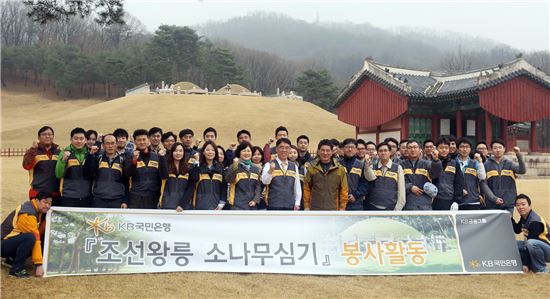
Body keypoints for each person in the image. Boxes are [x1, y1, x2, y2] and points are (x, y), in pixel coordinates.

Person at [1, 192, 52, 278]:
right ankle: (16, 270)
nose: (47, 206)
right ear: (37, 200)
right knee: (30, 237)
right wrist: (39, 264)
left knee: (37, 237)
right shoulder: (28, 213)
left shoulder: (36, 209)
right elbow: (35, 237)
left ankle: (11, 260)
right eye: (45, 202)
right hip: (2, 244)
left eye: (50, 203)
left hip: (8, 242)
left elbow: (38, 233)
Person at [124, 129, 168, 209]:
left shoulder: (157, 156)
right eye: (139, 140)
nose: (142, 142)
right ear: (134, 141)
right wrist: (134, 161)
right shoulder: (130, 156)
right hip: (136, 197)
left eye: (144, 139)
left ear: (148, 140)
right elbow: (127, 175)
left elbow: (164, 175)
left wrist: (162, 159)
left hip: (153, 197)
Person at [83, 134, 128, 208]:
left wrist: (125, 201)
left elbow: (126, 182)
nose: (110, 146)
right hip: (98, 199)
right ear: (103, 145)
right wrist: (91, 155)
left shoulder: (122, 160)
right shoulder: (97, 158)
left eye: (112, 143)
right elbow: (87, 173)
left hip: (117, 200)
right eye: (107, 143)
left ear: (116, 144)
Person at [482, 140, 526, 213]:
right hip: (492, 204)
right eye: (495, 148)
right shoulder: (486, 165)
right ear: (491, 150)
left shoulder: (510, 164)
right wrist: (494, 198)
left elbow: (522, 170)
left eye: (500, 147)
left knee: (507, 223)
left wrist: (518, 155)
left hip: (508, 202)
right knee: (493, 224)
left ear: (504, 149)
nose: (498, 150)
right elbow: (483, 184)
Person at [304, 139, 348, 211]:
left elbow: (344, 190)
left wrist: (342, 208)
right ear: (318, 152)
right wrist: (306, 206)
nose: (325, 153)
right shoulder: (311, 168)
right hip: (314, 209)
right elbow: (306, 188)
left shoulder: (340, 169)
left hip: (333, 210)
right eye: (322, 150)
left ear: (331, 152)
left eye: (328, 150)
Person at [512, 194, 550, 274]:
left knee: (531, 243)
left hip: (547, 250)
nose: (521, 207)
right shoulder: (524, 216)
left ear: (529, 205)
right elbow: (517, 230)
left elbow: (529, 245)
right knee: (514, 244)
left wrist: (526, 264)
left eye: (523, 204)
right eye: (518, 205)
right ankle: (531, 265)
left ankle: (542, 269)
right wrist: (509, 218)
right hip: (539, 248)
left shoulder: (534, 222)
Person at [55, 127, 92, 207]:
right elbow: (58, 174)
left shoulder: (90, 154)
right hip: (68, 197)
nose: (78, 141)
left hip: (87, 197)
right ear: (71, 140)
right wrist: (63, 160)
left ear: (85, 140)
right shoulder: (64, 153)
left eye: (81, 139)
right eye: (76, 138)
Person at [400, 139, 442, 210]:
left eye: (415, 147)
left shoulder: (427, 164)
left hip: (424, 203)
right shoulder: (401, 165)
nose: (412, 150)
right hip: (407, 202)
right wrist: (410, 187)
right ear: (406, 150)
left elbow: (435, 175)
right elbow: (397, 182)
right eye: (410, 148)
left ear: (420, 150)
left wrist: (436, 160)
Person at [261, 138, 301, 210]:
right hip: (273, 204)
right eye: (281, 147)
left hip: (290, 205)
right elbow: (264, 181)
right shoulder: (268, 164)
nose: (284, 150)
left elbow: (297, 186)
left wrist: (297, 202)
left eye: (287, 148)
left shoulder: (294, 166)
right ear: (276, 149)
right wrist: (270, 171)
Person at [22, 126, 61, 201]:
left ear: (53, 136)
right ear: (39, 137)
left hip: (55, 194)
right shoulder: (33, 151)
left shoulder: (59, 152)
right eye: (44, 134)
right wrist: (33, 149)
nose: (47, 136)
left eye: (50, 134)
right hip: (37, 193)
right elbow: (26, 166)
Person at [365, 142, 406, 211]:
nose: (383, 153)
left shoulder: (398, 168)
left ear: (390, 152)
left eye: (385, 150)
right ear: (377, 153)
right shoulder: (372, 166)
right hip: (373, 206)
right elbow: (370, 178)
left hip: (391, 208)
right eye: (380, 151)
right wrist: (367, 166)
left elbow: (401, 190)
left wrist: (397, 209)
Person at [187, 141, 227, 210]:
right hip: (199, 207)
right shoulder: (197, 167)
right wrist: (196, 162)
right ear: (203, 152)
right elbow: (193, 179)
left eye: (213, 150)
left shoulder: (220, 168)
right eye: (207, 150)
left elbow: (224, 187)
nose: (210, 152)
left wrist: (221, 203)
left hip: (216, 208)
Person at [225, 142, 262, 210]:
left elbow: (258, 186)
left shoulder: (256, 168)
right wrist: (234, 167)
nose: (246, 153)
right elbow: (229, 180)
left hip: (252, 206)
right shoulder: (233, 166)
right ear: (239, 153)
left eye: (248, 151)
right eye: (244, 151)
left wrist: (255, 200)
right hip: (237, 206)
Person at [432, 136, 465, 210]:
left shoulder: (454, 163)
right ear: (436, 149)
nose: (444, 150)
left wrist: (457, 201)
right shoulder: (430, 162)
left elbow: (458, 182)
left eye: (446, 148)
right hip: (434, 198)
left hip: (449, 199)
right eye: (441, 148)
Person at [455, 137, 486, 210]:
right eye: (462, 147)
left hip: (473, 200)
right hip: (457, 201)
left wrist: (480, 162)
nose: (465, 149)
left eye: (467, 147)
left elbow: (482, 177)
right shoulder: (452, 162)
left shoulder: (475, 163)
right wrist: (459, 190)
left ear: (470, 149)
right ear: (458, 149)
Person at [160, 142, 191, 211]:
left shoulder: (188, 168)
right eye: (175, 151)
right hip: (167, 205)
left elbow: (190, 188)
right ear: (172, 152)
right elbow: (163, 176)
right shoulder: (166, 166)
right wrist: (162, 157)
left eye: (180, 151)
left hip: (183, 207)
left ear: (184, 153)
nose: (178, 153)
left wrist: (183, 204)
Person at [341, 139, 369, 210]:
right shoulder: (338, 164)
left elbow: (365, 183)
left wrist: (355, 195)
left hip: (356, 203)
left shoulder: (361, 165)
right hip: (340, 201)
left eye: (352, 147)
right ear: (343, 149)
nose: (350, 149)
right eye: (347, 147)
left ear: (356, 149)